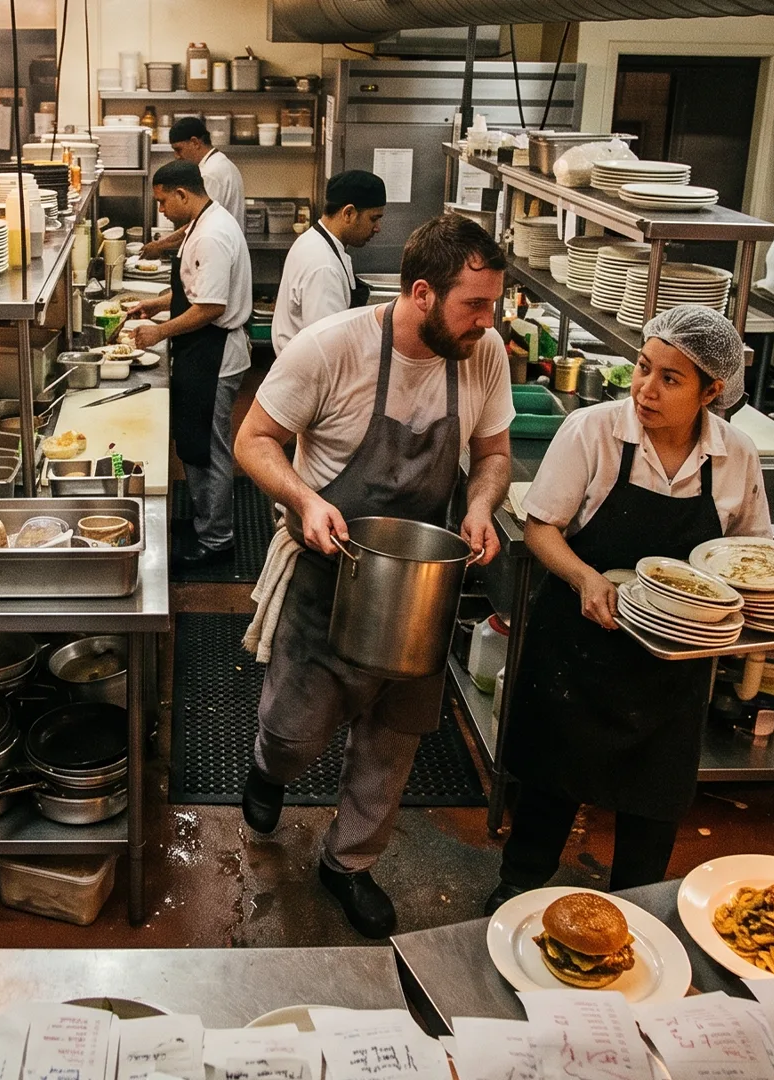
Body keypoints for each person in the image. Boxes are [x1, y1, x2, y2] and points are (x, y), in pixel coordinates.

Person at [234, 214, 514, 938]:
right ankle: (268, 770)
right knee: (295, 735)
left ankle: (348, 863)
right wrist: (303, 497)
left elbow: (491, 454)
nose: (489, 322)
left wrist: (481, 506)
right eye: (473, 305)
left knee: (393, 741)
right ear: (422, 293)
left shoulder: (483, 354)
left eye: (493, 304)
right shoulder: (332, 348)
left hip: (421, 584)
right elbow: (253, 439)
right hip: (330, 574)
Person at [486, 306, 773, 915]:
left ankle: (638, 909)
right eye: (644, 367)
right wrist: (585, 578)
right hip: (579, 644)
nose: (646, 388)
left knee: (655, 795)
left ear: (711, 390)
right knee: (551, 781)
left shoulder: (735, 457)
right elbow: (541, 527)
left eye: (671, 378)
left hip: (674, 659)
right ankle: (518, 886)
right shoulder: (593, 431)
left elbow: (749, 551)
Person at [127, 160, 252, 570]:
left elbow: (211, 307)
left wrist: (158, 333)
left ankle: (217, 540)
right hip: (203, 349)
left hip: (214, 353)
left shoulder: (213, 234)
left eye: (163, 201)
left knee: (209, 450)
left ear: (183, 194)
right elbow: (196, 292)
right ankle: (204, 524)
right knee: (196, 445)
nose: (161, 210)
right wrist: (156, 304)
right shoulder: (204, 220)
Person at [272, 170, 387, 354]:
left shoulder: (320, 241)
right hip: (310, 376)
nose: (377, 228)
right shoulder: (323, 265)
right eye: (373, 219)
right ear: (348, 213)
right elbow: (327, 348)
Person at [140, 117, 245, 258]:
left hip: (217, 250)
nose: (177, 156)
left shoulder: (211, 173)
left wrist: (160, 245)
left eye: (179, 149)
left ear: (195, 142)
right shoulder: (218, 163)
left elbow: (198, 223)